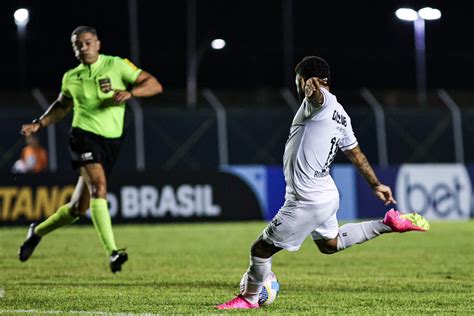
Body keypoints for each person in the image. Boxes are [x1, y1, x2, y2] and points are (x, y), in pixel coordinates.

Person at [216, 56, 430, 309]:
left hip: (307, 200)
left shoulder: (320, 102)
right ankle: (388, 223)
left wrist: (313, 91)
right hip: (326, 192)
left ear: (307, 80)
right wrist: (376, 184)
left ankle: (249, 299)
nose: (298, 87)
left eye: (298, 81)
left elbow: (318, 98)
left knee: (260, 249)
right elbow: (356, 154)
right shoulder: (341, 114)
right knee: (330, 244)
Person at [18, 26, 163, 273]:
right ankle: (113, 252)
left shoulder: (116, 65)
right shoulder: (71, 77)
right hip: (83, 137)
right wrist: (39, 123)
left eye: (87, 42)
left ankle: (37, 231)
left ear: (97, 43)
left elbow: (155, 85)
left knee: (77, 208)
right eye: (78, 44)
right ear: (74, 49)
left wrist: (131, 92)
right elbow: (62, 106)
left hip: (111, 142)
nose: (83, 48)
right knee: (100, 187)